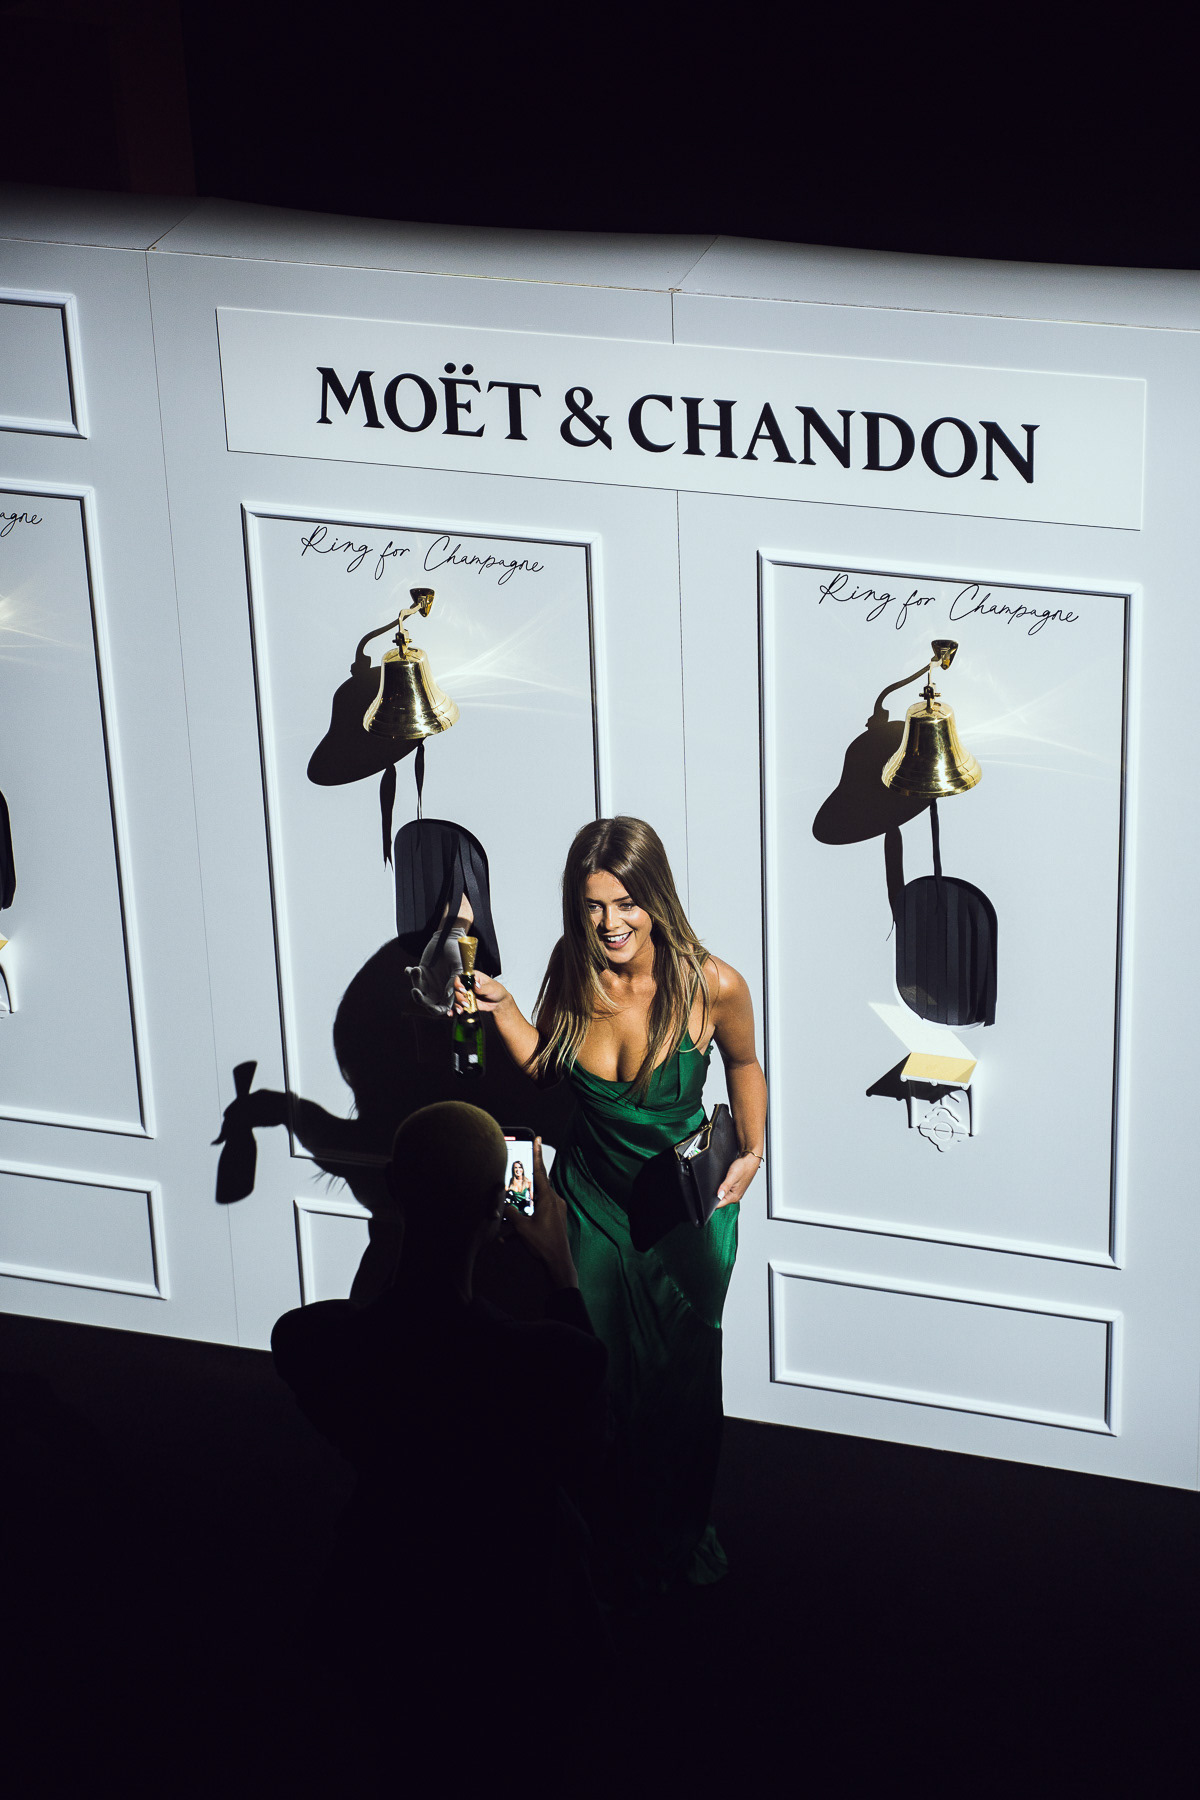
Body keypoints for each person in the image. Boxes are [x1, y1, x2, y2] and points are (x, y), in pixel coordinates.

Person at [455, 816, 767, 1599]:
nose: (610, 923)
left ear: (655, 897)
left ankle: (674, 1535)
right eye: (593, 905)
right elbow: (547, 1068)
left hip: (685, 1219)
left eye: (626, 903)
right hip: (591, 1203)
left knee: (681, 1389)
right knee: (598, 1379)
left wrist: (754, 1149)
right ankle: (600, 1533)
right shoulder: (573, 968)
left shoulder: (713, 984)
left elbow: (744, 1063)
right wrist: (501, 1006)